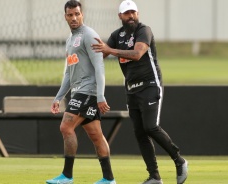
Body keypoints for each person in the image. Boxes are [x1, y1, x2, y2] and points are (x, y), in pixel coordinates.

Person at [91, 0, 188, 184]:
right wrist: (84, 56)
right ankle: (154, 176)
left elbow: (137, 54)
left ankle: (179, 160)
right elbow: (100, 55)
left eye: (133, 12)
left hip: (150, 84)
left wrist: (110, 50)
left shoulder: (144, 30)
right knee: (140, 133)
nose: (131, 16)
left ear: (138, 13)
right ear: (120, 16)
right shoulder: (116, 35)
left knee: (150, 127)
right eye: (126, 13)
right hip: (131, 89)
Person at [46, 1, 116, 184]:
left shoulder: (89, 35)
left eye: (77, 14)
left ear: (82, 14)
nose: (74, 18)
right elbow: (69, 73)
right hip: (79, 91)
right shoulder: (70, 40)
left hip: (87, 92)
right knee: (95, 135)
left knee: (65, 127)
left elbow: (99, 67)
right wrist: (58, 97)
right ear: (65, 16)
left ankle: (67, 176)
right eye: (70, 15)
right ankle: (109, 179)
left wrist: (100, 96)